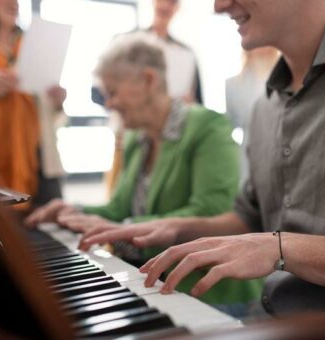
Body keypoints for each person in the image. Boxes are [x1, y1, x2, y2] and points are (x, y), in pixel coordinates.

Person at [65, 1, 325, 338]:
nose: (218, 5)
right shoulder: (264, 107)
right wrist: (173, 227)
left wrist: (282, 248)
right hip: (267, 321)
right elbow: (249, 217)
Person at [26, 33, 262, 316]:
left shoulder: (209, 127)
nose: (108, 104)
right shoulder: (137, 138)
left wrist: (124, 228)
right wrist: (73, 211)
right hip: (155, 285)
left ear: (149, 80)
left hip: (209, 294)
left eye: (112, 92)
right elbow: (118, 208)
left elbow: (212, 210)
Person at [102, 0, 203, 196]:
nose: (165, 5)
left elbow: (199, 101)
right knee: (121, 199)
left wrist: (188, 104)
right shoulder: (125, 43)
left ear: (178, 7)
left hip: (171, 143)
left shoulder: (186, 53)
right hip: (125, 139)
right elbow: (101, 91)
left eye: (172, 2)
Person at [0, 0, 66, 211]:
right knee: (5, 233)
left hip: (40, 157)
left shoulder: (35, 45)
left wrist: (58, 100)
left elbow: (50, 112)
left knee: (51, 222)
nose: (13, 3)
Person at [225, 47, 279, 184]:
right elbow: (228, 126)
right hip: (247, 158)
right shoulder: (232, 85)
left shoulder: (286, 80)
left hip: (279, 153)